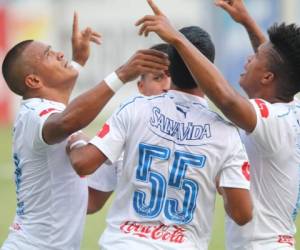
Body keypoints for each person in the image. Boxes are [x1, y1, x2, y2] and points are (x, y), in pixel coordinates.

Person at [67, 25, 252, 250]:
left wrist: (74, 139)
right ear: (208, 69)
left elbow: (83, 165)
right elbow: (242, 214)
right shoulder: (227, 134)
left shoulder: (133, 110)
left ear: (170, 69)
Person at [136, 0, 300, 249]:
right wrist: (247, 22)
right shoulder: (290, 110)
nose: (249, 58)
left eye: (255, 57)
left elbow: (226, 99)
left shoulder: (272, 122)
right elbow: (276, 64)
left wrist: (180, 41)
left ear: (267, 77)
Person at [0, 11, 169, 250]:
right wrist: (121, 75)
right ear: (34, 81)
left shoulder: (41, 108)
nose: (59, 53)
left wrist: (77, 62)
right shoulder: (35, 116)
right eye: (49, 54)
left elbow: (63, 109)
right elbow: (67, 121)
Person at [88, 43, 171, 214]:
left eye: (173, 78)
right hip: (128, 237)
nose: (167, 86)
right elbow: (92, 203)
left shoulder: (201, 128)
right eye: (158, 78)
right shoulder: (125, 122)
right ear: (141, 87)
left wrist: (77, 143)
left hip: (178, 238)